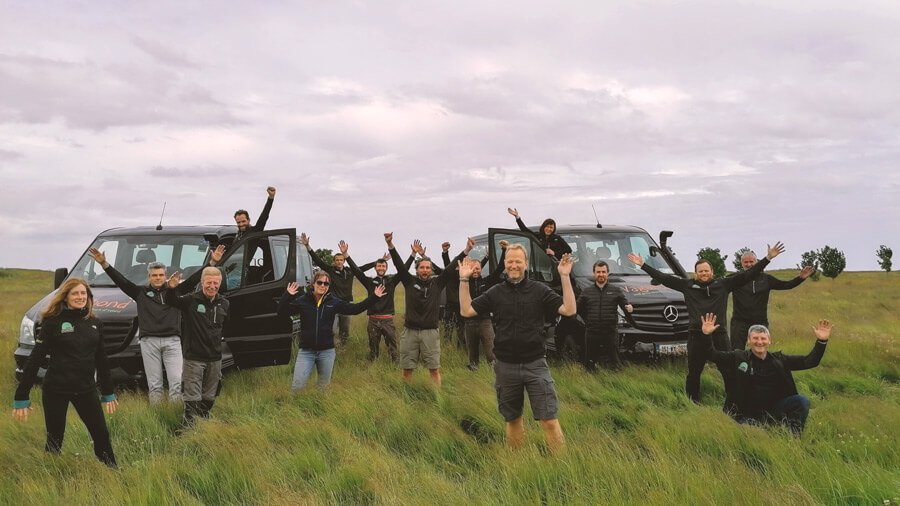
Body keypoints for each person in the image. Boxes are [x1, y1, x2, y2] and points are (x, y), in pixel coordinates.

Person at [626, 242, 785, 404]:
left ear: (712, 272)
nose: (703, 273)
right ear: (695, 273)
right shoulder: (687, 285)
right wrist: (643, 265)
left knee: (728, 370)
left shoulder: (723, 284)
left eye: (706, 271)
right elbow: (664, 278)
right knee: (694, 372)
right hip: (696, 335)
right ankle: (692, 402)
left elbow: (747, 275)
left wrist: (767, 258)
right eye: (700, 271)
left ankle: (734, 401)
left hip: (719, 335)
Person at [458, 246, 577, 453]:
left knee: (548, 419)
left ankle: (561, 465)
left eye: (518, 261)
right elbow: (466, 310)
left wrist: (564, 277)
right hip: (505, 367)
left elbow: (569, 309)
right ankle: (517, 462)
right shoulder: (495, 292)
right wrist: (464, 280)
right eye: (510, 261)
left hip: (535, 365)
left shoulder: (540, 290)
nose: (513, 265)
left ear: (526, 264)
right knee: (513, 419)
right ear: (505, 264)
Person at [87, 245, 224, 404]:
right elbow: (121, 281)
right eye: (154, 275)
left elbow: (194, 279)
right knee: (155, 385)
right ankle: (159, 416)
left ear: (165, 276)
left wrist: (212, 262)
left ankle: (175, 415)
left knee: (176, 383)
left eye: (160, 275)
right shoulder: (140, 293)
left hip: (172, 342)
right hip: (149, 342)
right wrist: (104, 264)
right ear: (149, 276)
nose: (158, 278)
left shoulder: (175, 290)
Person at [13, 278, 119, 467]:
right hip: (56, 390)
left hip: (86, 390)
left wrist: (108, 392)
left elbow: (102, 361)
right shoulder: (52, 323)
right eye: (75, 293)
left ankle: (112, 470)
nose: (80, 297)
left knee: (101, 434)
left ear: (88, 297)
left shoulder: (95, 322)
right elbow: (35, 359)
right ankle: (52, 473)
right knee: (55, 438)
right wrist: (22, 395)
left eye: (83, 294)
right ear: (66, 297)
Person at [700, 313, 831, 435]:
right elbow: (712, 355)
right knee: (753, 433)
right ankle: (754, 427)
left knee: (802, 401)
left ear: (769, 341)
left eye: (763, 338)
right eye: (755, 338)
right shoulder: (738, 357)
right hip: (746, 413)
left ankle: (793, 436)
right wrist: (706, 335)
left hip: (774, 410)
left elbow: (810, 361)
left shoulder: (780, 360)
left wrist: (821, 342)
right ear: (748, 341)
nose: (759, 342)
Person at [277, 272, 386, 391]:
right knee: (297, 387)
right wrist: (287, 295)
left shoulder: (333, 302)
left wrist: (374, 297)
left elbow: (355, 309)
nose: (322, 285)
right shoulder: (303, 301)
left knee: (323, 388)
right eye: (320, 282)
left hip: (326, 352)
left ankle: (319, 408)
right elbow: (281, 312)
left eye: (326, 283)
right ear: (313, 284)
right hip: (306, 352)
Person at [386, 232, 469, 386]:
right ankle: (407, 394)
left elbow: (451, 268)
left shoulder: (437, 283)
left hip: (430, 332)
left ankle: (437, 398)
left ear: (431, 270)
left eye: (427, 268)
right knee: (407, 369)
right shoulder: (409, 282)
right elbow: (398, 264)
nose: (425, 270)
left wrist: (466, 251)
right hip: (410, 332)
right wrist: (390, 244)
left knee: (434, 369)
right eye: (422, 267)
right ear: (417, 270)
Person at [165, 267, 229, 430]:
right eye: (209, 282)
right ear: (202, 283)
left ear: (220, 284)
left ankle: (203, 429)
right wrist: (171, 289)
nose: (212, 286)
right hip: (193, 359)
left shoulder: (224, 303)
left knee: (209, 398)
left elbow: (225, 327)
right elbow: (171, 301)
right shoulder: (190, 300)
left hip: (214, 359)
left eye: (216, 283)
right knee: (192, 400)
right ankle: (188, 432)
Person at [729, 251, 816, 350]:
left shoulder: (766, 279)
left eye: (751, 261)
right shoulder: (735, 279)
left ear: (757, 261)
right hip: (739, 322)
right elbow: (719, 287)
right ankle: (739, 366)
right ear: (741, 263)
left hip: (759, 321)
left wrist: (800, 278)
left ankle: (757, 366)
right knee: (736, 351)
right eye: (746, 262)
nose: (749, 264)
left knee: (760, 350)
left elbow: (786, 285)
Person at [346, 251, 414, 362]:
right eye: (379, 266)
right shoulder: (369, 281)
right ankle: (373, 364)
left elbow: (403, 269)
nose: (381, 267)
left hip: (388, 320)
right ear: (375, 267)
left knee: (393, 345)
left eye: (383, 266)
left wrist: (412, 255)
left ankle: (394, 364)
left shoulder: (391, 281)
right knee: (373, 346)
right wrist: (346, 256)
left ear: (386, 267)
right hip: (373, 320)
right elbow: (357, 271)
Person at [459, 240, 508, 370]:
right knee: (472, 354)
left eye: (478, 268)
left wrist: (504, 251)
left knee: (491, 353)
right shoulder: (465, 283)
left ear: (481, 269)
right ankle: (473, 377)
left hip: (485, 321)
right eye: (473, 268)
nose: (475, 271)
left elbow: (499, 269)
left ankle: (495, 375)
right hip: (469, 323)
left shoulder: (487, 282)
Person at [576, 260, 634, 370]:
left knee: (615, 363)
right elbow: (576, 308)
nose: (601, 274)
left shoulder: (616, 290)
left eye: (603, 272)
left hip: (610, 332)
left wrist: (629, 308)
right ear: (594, 273)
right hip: (592, 332)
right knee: (589, 364)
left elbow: (625, 305)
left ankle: (616, 383)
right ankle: (590, 382)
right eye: (598, 272)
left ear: (607, 273)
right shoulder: (587, 291)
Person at [300, 234, 357, 345]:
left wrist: (378, 262)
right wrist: (307, 246)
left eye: (341, 260)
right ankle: (331, 347)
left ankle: (343, 348)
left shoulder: (350, 271)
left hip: (346, 304)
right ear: (334, 261)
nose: (339, 262)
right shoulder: (330, 270)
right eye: (337, 260)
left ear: (344, 261)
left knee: (345, 330)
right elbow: (318, 260)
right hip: (333, 304)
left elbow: (361, 269)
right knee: (331, 329)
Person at [507, 207, 572, 261]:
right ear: (544, 227)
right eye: (547, 226)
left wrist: (554, 253)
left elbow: (568, 250)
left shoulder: (557, 238)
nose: (549, 229)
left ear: (554, 229)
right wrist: (517, 217)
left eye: (551, 227)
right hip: (540, 266)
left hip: (555, 265)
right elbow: (525, 230)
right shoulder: (538, 236)